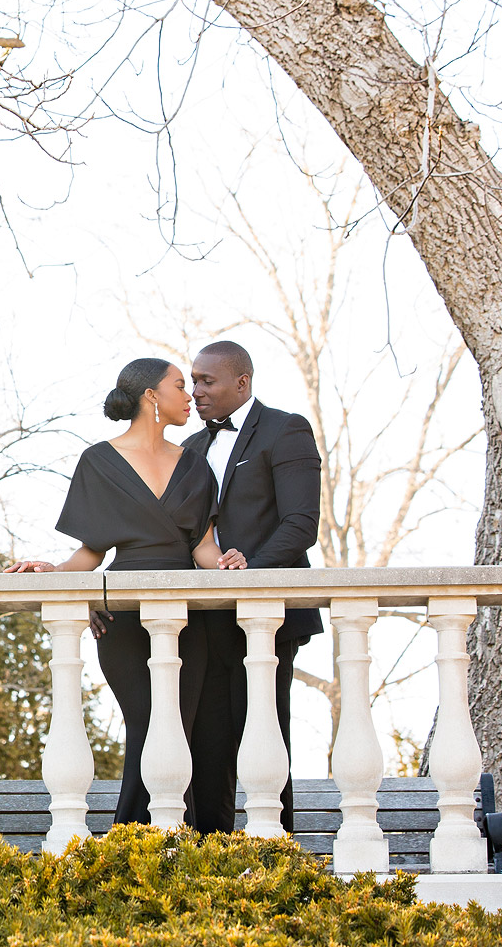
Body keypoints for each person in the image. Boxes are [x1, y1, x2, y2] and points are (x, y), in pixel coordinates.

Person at [5, 357, 246, 825]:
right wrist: (52, 569)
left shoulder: (195, 465)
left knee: (180, 729)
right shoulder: (98, 461)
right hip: (126, 622)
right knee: (148, 725)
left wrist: (228, 562)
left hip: (188, 618)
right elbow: (90, 555)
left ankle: (163, 850)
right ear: (151, 396)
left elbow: (202, 549)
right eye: (180, 386)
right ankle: (145, 846)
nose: (190, 396)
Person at [182, 340, 323, 834]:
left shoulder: (286, 430)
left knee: (266, 730)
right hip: (201, 617)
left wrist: (252, 570)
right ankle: (210, 854)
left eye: (206, 380)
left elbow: (302, 523)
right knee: (205, 738)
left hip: (268, 614)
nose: (195, 390)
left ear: (242, 382)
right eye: (192, 380)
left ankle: (276, 851)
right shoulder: (189, 448)